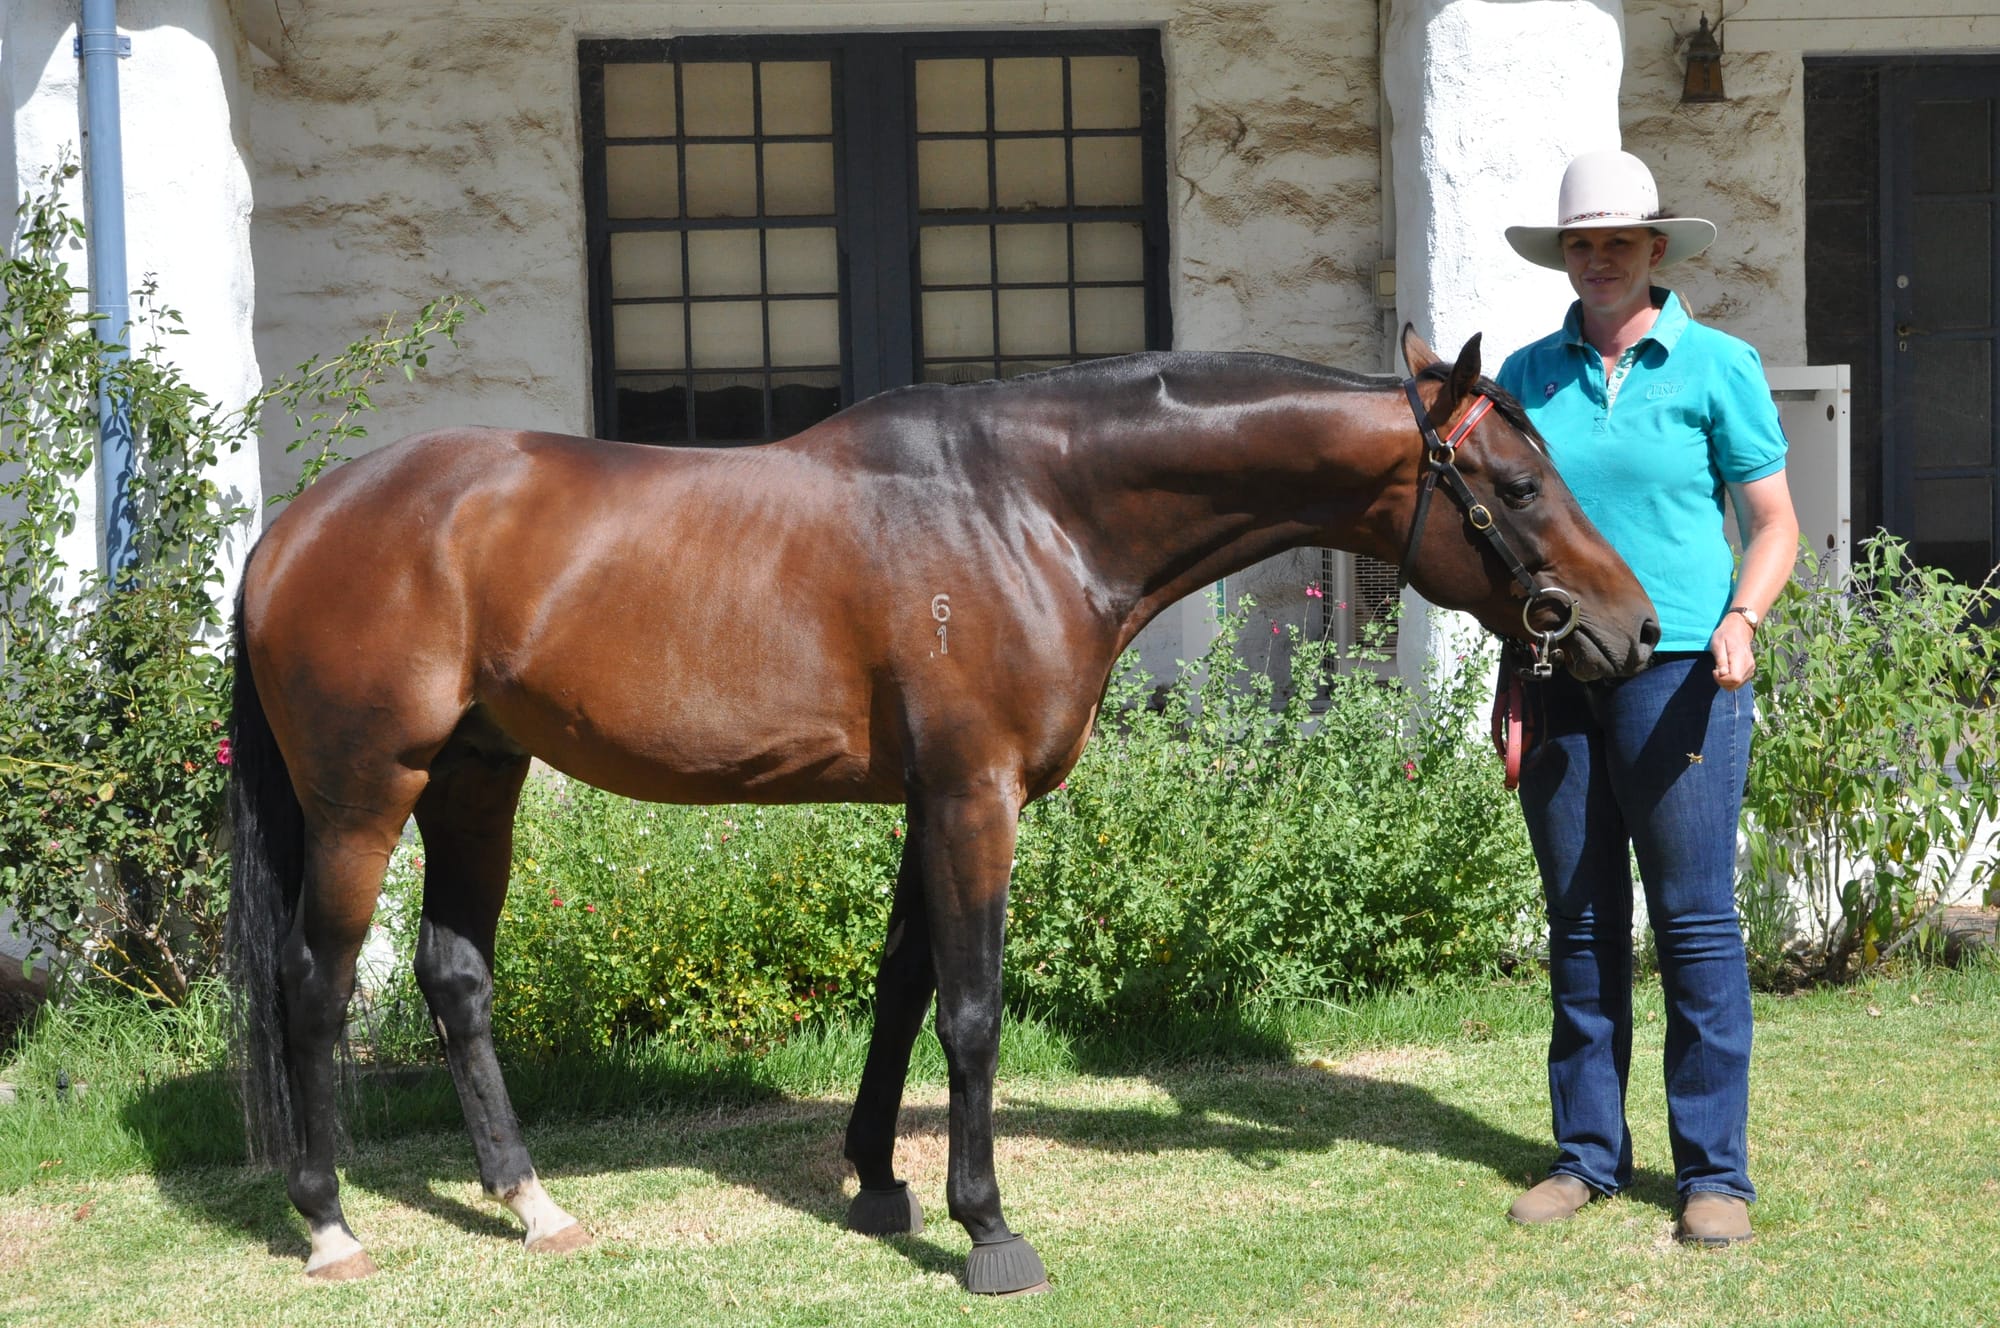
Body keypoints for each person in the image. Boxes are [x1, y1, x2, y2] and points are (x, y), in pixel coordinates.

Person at [1493, 149, 1800, 1246]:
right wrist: (1511, 681)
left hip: (1680, 675)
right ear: (1563, 255)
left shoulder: (1716, 364)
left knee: (1694, 923)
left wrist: (1740, 619)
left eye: (1617, 240)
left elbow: (1772, 523)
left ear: (1654, 250)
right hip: (1558, 673)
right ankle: (1587, 1154)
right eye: (1580, 242)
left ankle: (1713, 1170)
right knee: (1577, 920)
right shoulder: (1524, 377)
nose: (1598, 258)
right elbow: (1510, 548)